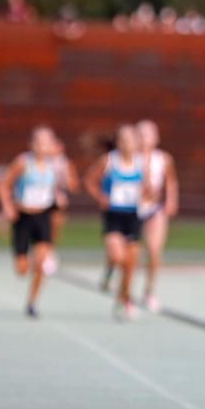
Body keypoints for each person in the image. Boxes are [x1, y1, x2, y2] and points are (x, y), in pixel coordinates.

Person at [85, 125, 151, 321]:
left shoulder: (142, 163)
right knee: (117, 256)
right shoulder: (108, 161)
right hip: (114, 215)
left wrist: (147, 195)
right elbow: (89, 181)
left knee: (130, 265)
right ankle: (110, 271)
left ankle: (122, 300)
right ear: (117, 142)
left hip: (133, 216)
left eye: (130, 140)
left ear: (137, 143)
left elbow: (147, 188)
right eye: (122, 140)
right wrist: (100, 197)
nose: (127, 144)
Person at [0, 126, 59, 318]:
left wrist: (58, 197)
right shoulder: (23, 163)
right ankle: (30, 260)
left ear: (52, 146)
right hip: (23, 217)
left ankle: (32, 302)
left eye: (46, 143)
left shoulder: (53, 165)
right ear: (31, 144)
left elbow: (51, 189)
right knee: (22, 269)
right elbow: (3, 185)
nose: (42, 146)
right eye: (38, 142)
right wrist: (7, 206)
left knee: (40, 263)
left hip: (43, 217)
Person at [136, 120, 180, 312]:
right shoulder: (130, 158)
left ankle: (149, 291)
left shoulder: (163, 158)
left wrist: (171, 200)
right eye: (141, 134)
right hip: (131, 209)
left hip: (155, 210)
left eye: (149, 134)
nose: (145, 138)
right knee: (129, 252)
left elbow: (171, 182)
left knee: (154, 251)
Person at [46, 138, 79, 275]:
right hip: (40, 200)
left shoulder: (65, 164)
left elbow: (74, 186)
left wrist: (66, 181)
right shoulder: (39, 162)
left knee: (54, 229)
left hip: (57, 202)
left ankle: (49, 254)